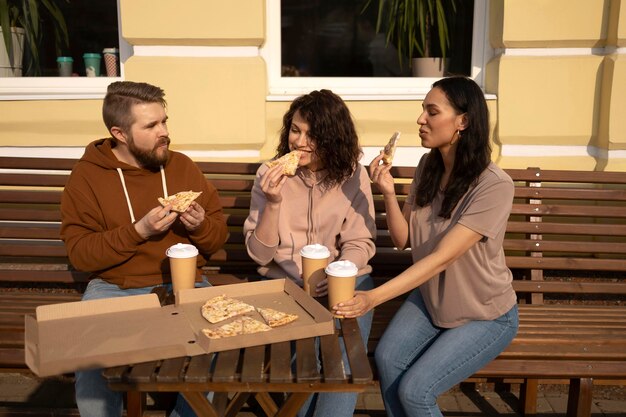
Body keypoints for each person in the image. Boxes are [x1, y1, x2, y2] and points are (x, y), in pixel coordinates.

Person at [334, 76, 519, 417]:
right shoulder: (427, 167)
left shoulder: (494, 186)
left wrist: (371, 298)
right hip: (433, 300)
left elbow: (440, 259)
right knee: (388, 360)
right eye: (423, 110)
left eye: (432, 112)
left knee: (416, 392)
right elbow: (404, 240)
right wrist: (387, 192)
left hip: (484, 313)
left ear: (462, 121)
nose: (421, 119)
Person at [60, 81, 228, 417]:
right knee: (90, 359)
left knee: (217, 349)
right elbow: (80, 253)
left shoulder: (181, 166)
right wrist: (139, 231)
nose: (164, 132)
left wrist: (199, 226)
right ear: (120, 134)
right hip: (113, 289)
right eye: (151, 126)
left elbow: (217, 238)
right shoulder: (86, 178)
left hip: (185, 285)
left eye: (164, 121)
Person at [243, 89, 376, 417]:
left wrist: (337, 272)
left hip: (346, 283)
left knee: (343, 352)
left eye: (312, 134)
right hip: (285, 287)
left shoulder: (353, 176)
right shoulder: (270, 175)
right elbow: (259, 255)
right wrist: (273, 202)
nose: (299, 141)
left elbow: (360, 242)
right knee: (305, 355)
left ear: (332, 138)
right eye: (295, 130)